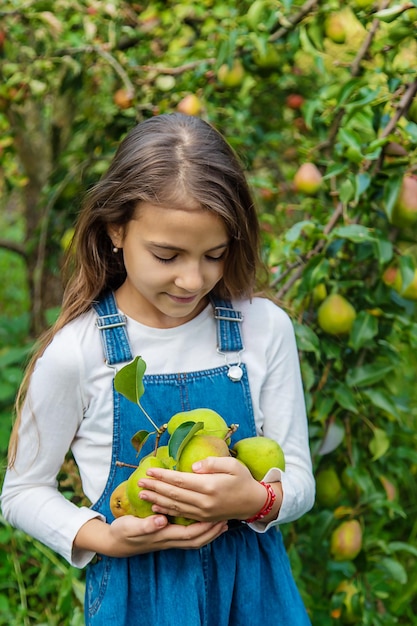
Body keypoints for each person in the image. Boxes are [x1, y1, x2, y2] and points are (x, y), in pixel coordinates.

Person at [1, 113, 315, 626]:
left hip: (256, 598)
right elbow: (22, 492)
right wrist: (103, 537)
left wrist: (258, 499)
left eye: (214, 254)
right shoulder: (79, 352)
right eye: (167, 255)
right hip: (140, 600)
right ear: (116, 230)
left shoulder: (264, 329)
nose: (192, 279)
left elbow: (298, 477)